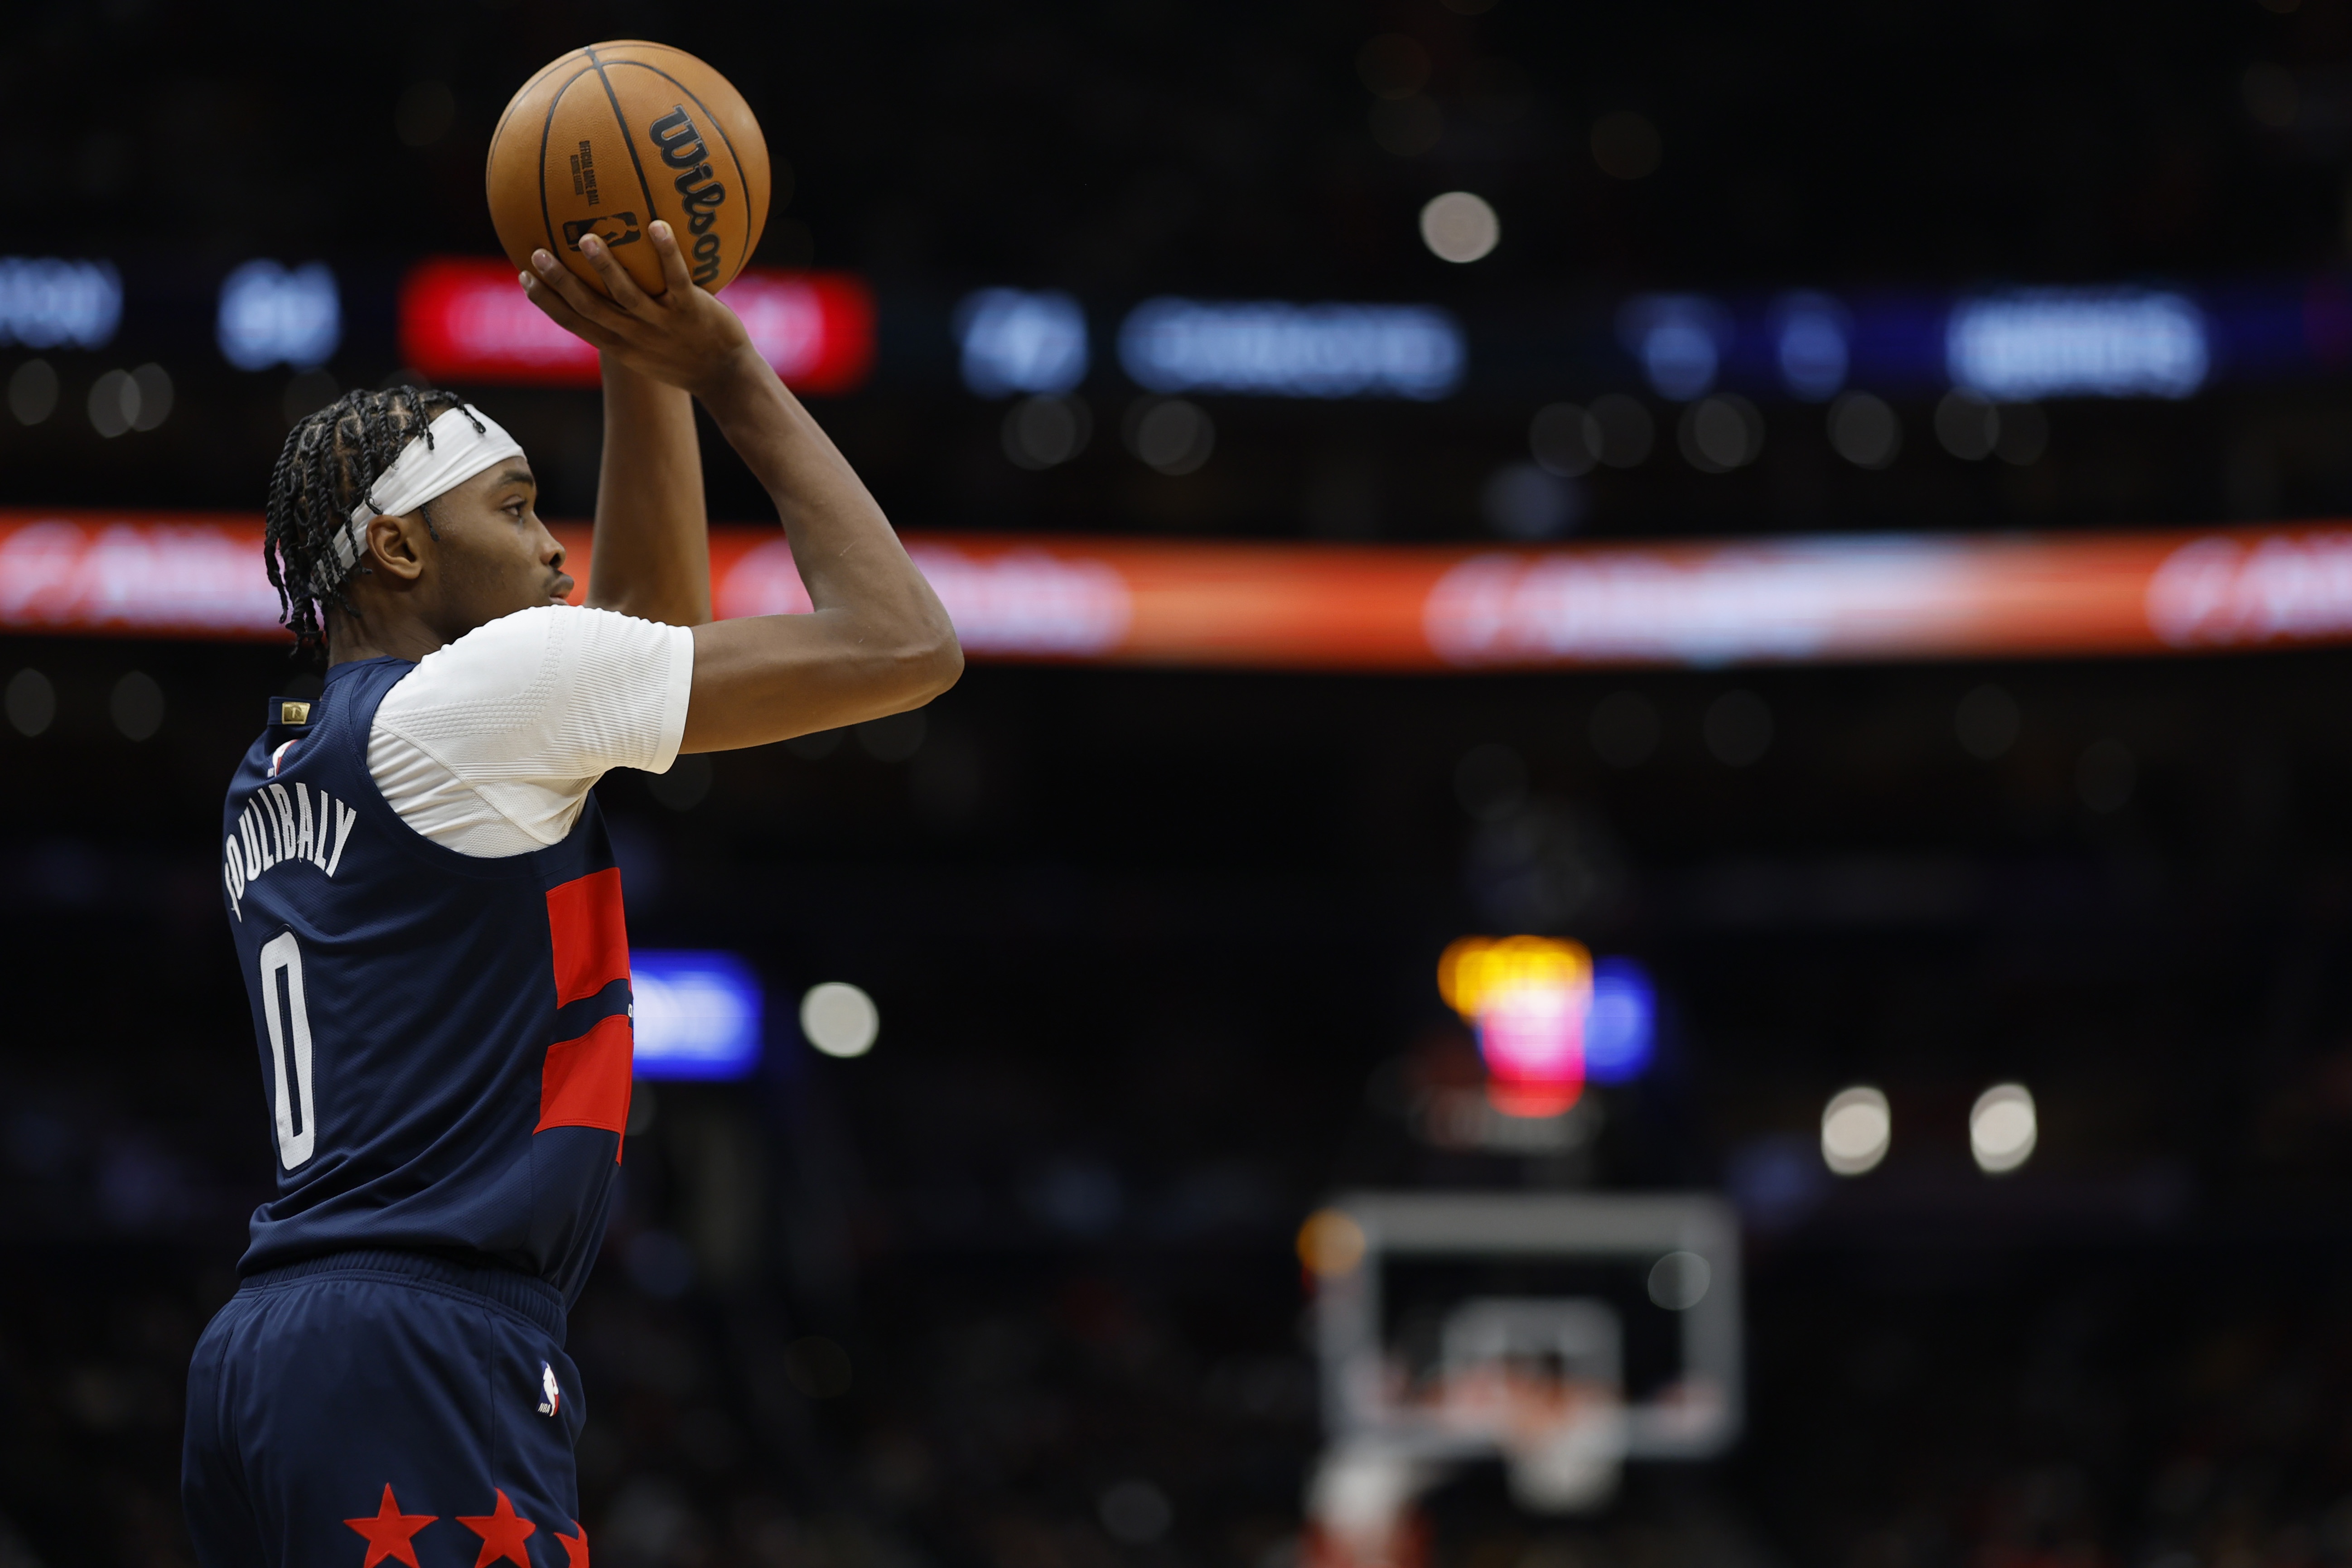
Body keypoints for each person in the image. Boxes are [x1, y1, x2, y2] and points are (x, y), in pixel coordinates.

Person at [183, 219, 960, 1567]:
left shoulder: (286, 761)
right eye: (517, 508)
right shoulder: (475, 704)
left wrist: (634, 359)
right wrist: (727, 370)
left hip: (270, 1352)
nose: (555, 548)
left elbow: (634, 642)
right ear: (401, 551)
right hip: (421, 1347)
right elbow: (907, 643)